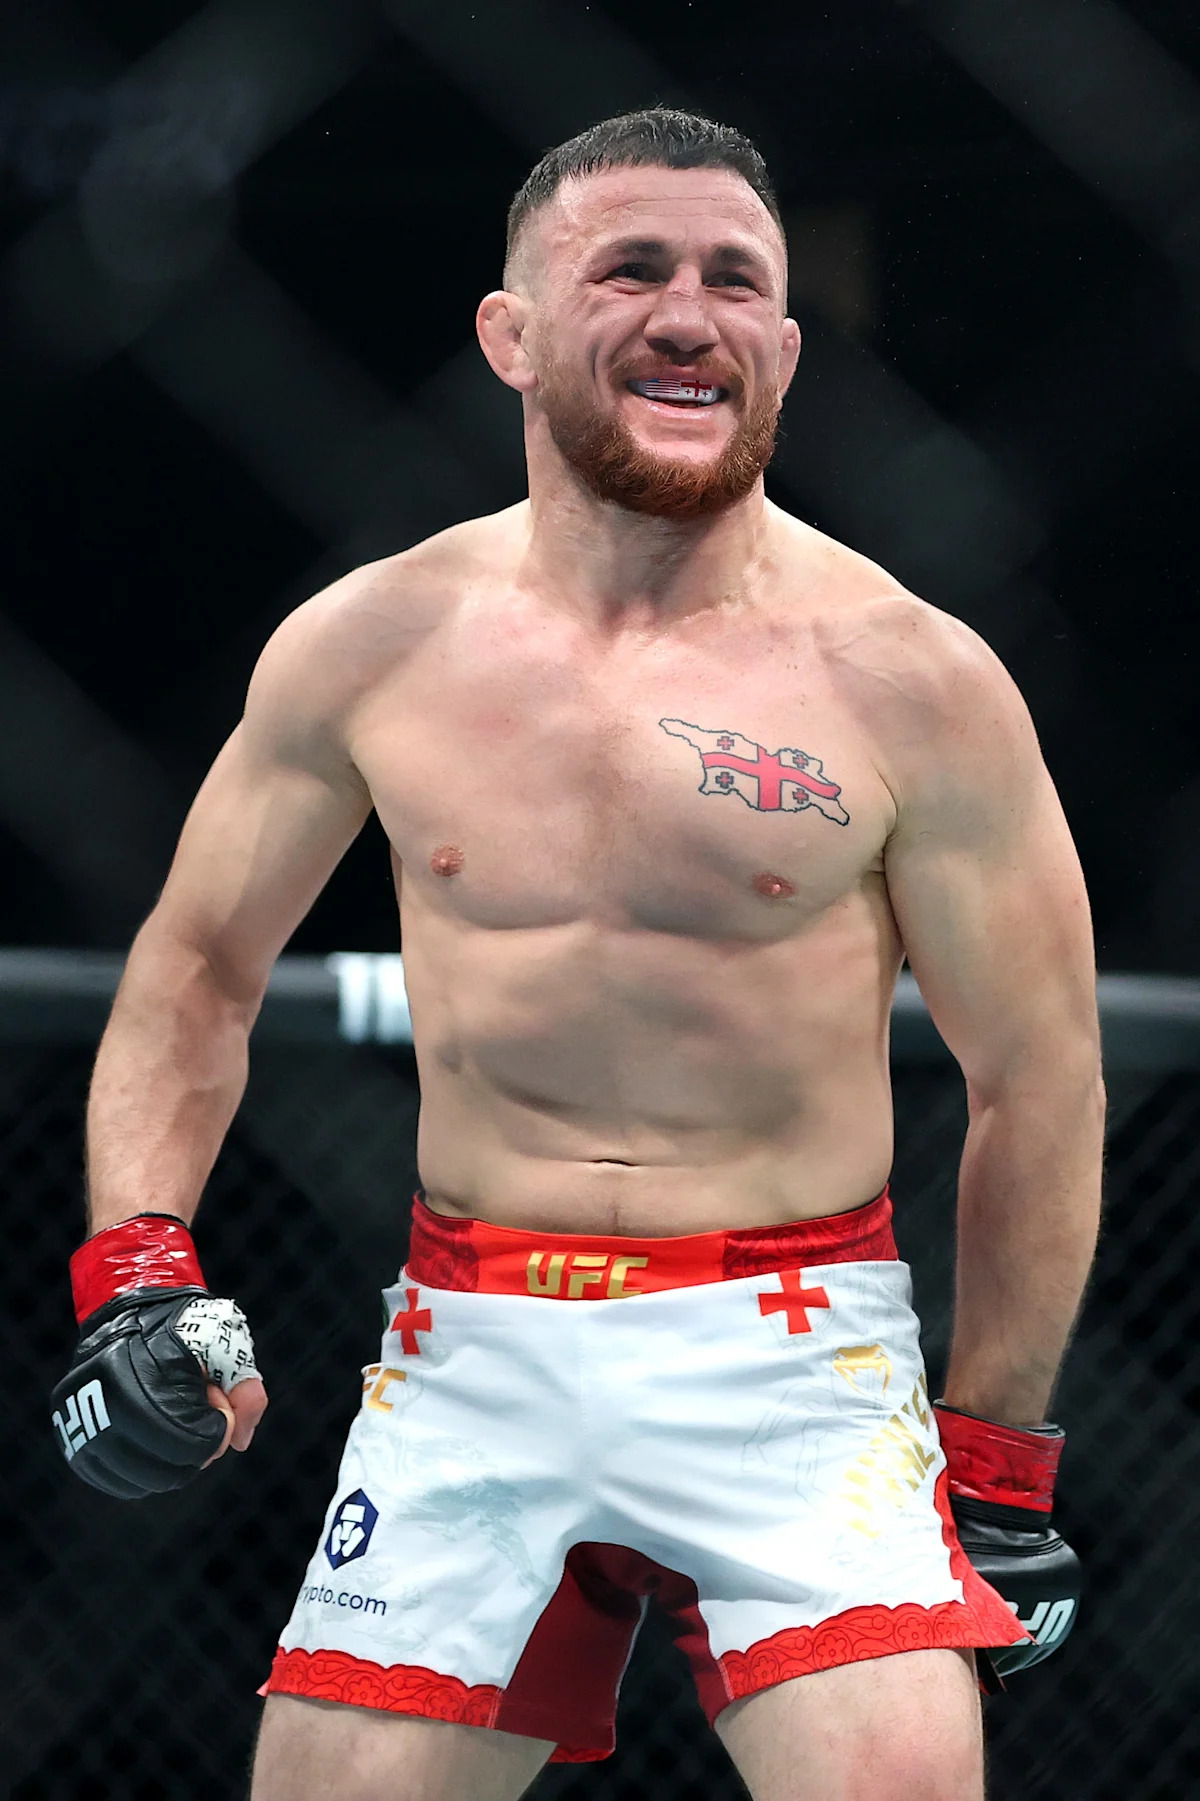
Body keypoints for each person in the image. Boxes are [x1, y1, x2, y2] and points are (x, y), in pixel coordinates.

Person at [51, 109, 1103, 1801]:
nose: (690, 314)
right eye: (633, 269)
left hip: (796, 1350)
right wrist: (137, 1271)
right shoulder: (373, 642)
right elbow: (197, 970)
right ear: (511, 334)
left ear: (785, 346)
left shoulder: (915, 678)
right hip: (475, 1337)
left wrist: (997, 1451)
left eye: (735, 279)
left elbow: (1037, 1080)